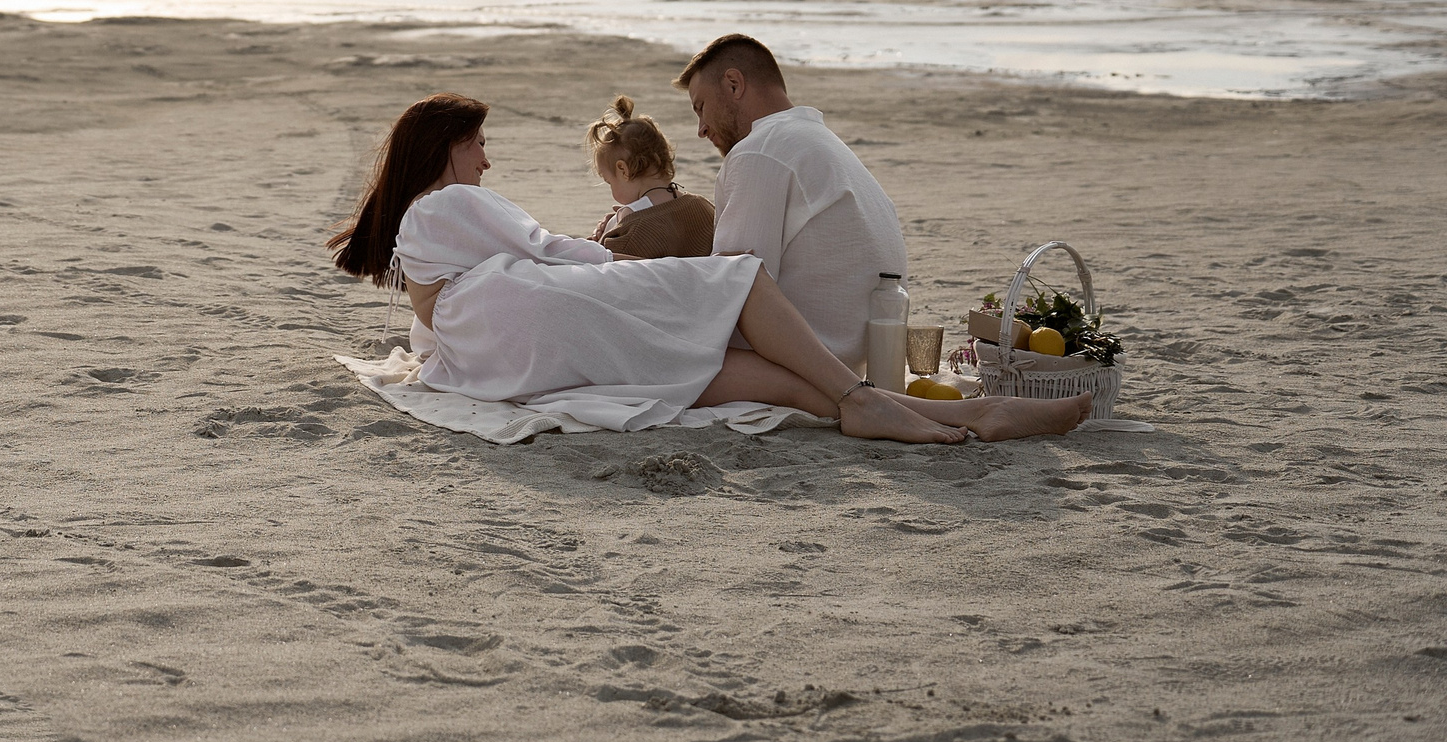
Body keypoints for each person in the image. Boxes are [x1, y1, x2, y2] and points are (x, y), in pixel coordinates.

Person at [328, 92, 1089, 441]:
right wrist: (612, 259)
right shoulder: (447, 202)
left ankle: (956, 415)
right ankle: (875, 400)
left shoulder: (417, 225)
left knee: (746, 372)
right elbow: (549, 248)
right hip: (525, 316)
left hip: (498, 348)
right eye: (477, 145)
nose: (486, 160)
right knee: (737, 278)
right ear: (445, 148)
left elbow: (435, 321)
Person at [679, 34, 909, 370]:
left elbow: (730, 292)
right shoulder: (821, 142)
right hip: (858, 362)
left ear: (733, 84)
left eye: (701, 107)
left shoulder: (760, 150)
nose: (701, 129)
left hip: (803, 366)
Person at [586, 94, 715, 259]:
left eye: (609, 182)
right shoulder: (704, 207)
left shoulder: (631, 231)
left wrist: (603, 237)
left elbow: (604, 267)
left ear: (623, 170)